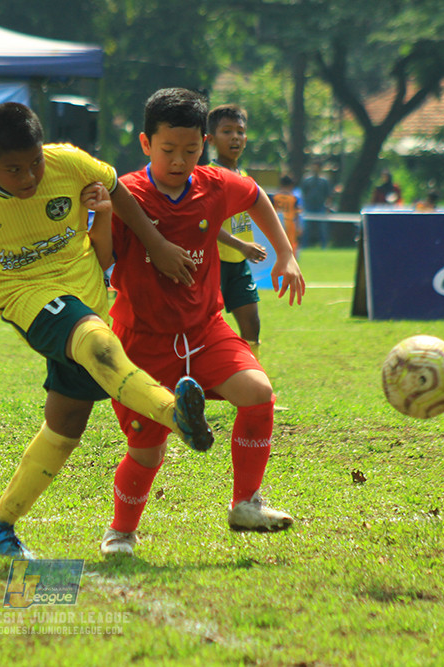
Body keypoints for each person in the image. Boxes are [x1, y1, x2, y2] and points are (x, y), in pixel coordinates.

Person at [0, 101, 211, 559]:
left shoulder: (69, 162)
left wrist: (155, 244)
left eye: (35, 163)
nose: (29, 178)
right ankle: (174, 414)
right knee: (96, 340)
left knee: (65, 425)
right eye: (14, 169)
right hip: (24, 295)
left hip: (85, 289)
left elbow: (118, 190)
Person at [99, 88, 306, 557]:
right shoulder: (127, 193)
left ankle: (246, 503)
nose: (179, 160)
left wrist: (286, 255)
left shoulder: (214, 184)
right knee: (146, 450)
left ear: (204, 144)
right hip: (142, 342)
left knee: (257, 393)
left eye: (191, 151)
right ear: (145, 143)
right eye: (168, 150)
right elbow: (104, 259)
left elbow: (256, 197)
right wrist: (104, 215)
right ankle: (121, 531)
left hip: (204, 329)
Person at [208, 104, 268, 357]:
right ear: (210, 139)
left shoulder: (243, 176)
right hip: (214, 263)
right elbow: (206, 224)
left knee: (252, 324)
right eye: (227, 131)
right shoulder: (209, 175)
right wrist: (242, 245)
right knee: (208, 326)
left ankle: (253, 372)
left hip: (238, 264)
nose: (235, 137)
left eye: (240, 131)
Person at [299, 161, 332, 248]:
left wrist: (328, 206)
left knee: (322, 228)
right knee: (306, 228)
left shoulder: (324, 180)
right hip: (308, 206)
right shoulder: (306, 179)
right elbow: (303, 193)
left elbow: (328, 195)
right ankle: (304, 245)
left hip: (320, 206)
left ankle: (324, 246)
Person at [271, 174, 301, 257]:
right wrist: (299, 227)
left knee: (277, 244)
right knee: (290, 245)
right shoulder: (294, 198)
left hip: (278, 223)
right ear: (291, 185)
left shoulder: (275, 197)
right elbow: (297, 213)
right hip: (290, 223)